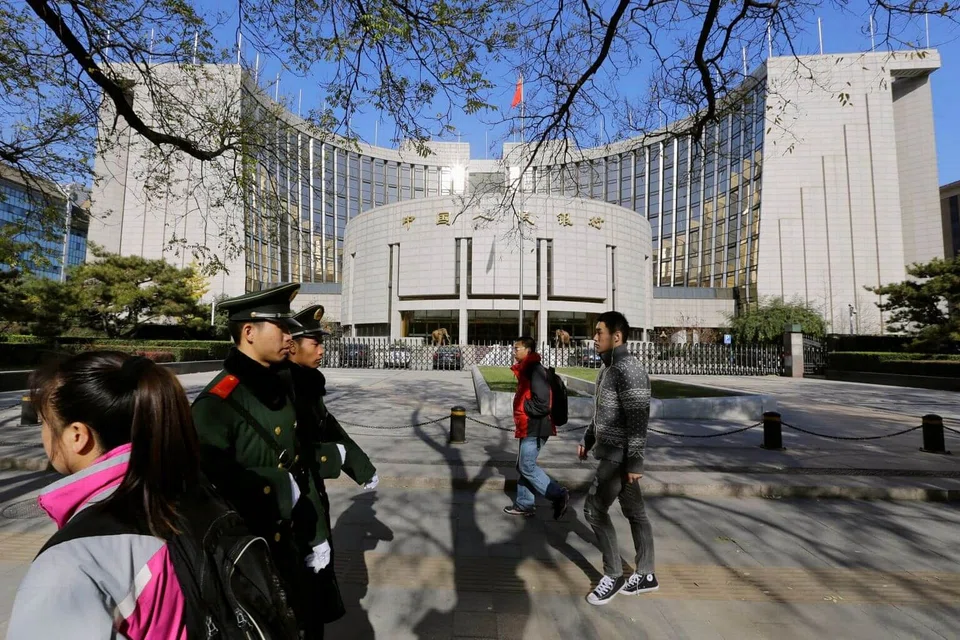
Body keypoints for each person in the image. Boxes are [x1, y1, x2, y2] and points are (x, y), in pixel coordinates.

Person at [7, 351, 200, 638]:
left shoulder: (71, 565)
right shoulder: (190, 496)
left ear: (77, 436)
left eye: (45, 422)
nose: (44, 434)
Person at [190, 283, 345, 639]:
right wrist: (272, 485)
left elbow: (300, 465)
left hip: (293, 542)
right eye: (282, 327)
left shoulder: (281, 388)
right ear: (249, 332)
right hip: (250, 552)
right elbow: (203, 487)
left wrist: (316, 533)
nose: (290, 337)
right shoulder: (217, 403)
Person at [283, 303, 380, 630]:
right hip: (290, 505)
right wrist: (334, 457)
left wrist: (360, 466)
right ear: (292, 346)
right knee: (298, 591)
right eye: (316, 343)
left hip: (311, 496)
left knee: (315, 589)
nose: (322, 350)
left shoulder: (307, 383)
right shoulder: (282, 387)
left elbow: (327, 425)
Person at [577, 311, 658, 605]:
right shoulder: (607, 368)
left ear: (617, 336)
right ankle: (646, 574)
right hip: (611, 450)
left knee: (593, 510)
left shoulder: (629, 370)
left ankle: (613, 575)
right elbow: (602, 412)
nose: (594, 337)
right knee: (635, 513)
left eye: (600, 332)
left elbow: (638, 421)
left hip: (619, 456)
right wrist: (588, 439)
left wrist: (635, 462)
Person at [502, 336, 570, 519]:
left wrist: (524, 407)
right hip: (529, 425)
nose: (514, 351)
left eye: (517, 348)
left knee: (526, 466)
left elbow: (543, 403)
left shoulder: (535, 370)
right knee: (523, 465)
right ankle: (525, 504)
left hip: (536, 426)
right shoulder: (528, 369)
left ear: (528, 350)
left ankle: (558, 494)